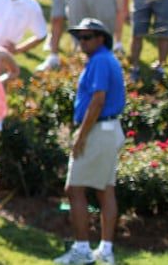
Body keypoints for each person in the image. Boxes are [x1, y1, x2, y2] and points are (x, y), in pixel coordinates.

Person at [52, 18, 126, 265]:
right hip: (108, 128)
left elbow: (98, 100)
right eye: (79, 37)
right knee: (105, 190)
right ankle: (105, 251)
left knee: (74, 189)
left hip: (99, 129)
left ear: (100, 38)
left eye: (87, 37)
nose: (81, 42)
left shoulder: (100, 61)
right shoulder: (103, 59)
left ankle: (82, 250)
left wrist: (81, 137)